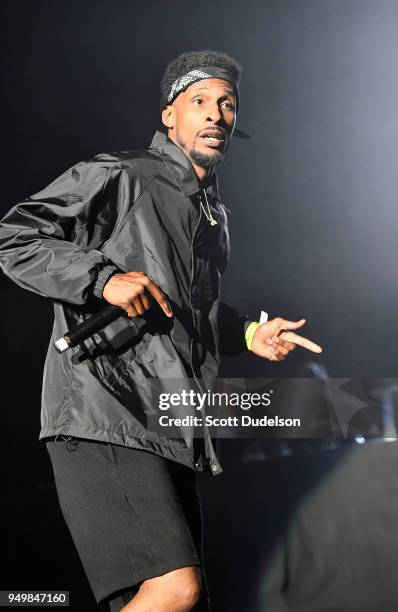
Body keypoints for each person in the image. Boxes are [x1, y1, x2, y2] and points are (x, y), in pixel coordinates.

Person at [0, 50, 320, 612]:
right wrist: (101, 278)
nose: (217, 114)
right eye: (200, 102)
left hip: (167, 419)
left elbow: (182, 307)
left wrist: (247, 334)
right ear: (170, 116)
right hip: (105, 411)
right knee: (176, 589)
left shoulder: (212, 214)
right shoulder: (125, 174)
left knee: (175, 600)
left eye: (227, 104)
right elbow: (15, 237)